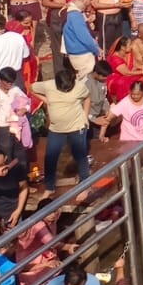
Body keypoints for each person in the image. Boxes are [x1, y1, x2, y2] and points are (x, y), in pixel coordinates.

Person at [32, 67, 91, 197]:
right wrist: (47, 101)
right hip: (56, 129)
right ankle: (49, 187)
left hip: (76, 126)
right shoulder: (48, 85)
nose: (65, 91)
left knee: (80, 156)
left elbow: (87, 99)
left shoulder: (80, 87)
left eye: (67, 89)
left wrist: (85, 117)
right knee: (50, 157)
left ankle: (85, 186)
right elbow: (32, 88)